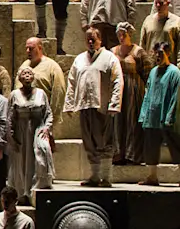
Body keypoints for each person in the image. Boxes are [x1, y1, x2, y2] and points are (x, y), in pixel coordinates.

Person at [64, 28, 124, 187]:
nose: (90, 42)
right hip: (84, 105)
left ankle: (106, 177)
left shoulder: (109, 57)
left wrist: (114, 104)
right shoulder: (79, 59)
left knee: (105, 140)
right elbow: (72, 82)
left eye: (93, 39)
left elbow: (117, 80)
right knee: (89, 141)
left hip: (102, 106)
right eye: (88, 39)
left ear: (100, 40)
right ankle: (95, 176)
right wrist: (69, 104)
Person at [8, 67, 55, 200]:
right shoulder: (14, 94)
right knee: (22, 162)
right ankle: (23, 193)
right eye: (24, 73)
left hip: (37, 128)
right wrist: (11, 136)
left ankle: (38, 189)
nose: (27, 76)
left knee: (41, 155)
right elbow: (10, 117)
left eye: (29, 73)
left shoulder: (41, 93)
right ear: (19, 78)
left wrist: (47, 127)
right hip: (21, 131)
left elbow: (48, 113)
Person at [138, 41, 180, 187]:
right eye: (155, 53)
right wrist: (144, 114)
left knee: (176, 146)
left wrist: (170, 115)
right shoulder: (153, 71)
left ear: (168, 53)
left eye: (160, 53)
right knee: (151, 146)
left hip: (166, 115)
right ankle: (152, 176)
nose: (157, 56)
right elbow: (148, 93)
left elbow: (176, 96)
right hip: (153, 116)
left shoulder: (174, 73)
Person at [113, 21, 151, 167]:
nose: (121, 37)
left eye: (124, 34)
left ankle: (133, 155)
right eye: (119, 35)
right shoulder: (113, 51)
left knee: (132, 121)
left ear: (129, 35)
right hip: (118, 89)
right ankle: (118, 154)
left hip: (133, 91)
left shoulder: (138, 52)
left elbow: (147, 72)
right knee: (117, 122)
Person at [18, 36, 68, 142]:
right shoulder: (24, 66)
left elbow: (58, 93)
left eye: (31, 48)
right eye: (26, 48)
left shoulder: (52, 67)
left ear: (40, 48)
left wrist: (51, 120)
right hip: (24, 119)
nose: (28, 51)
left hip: (42, 117)